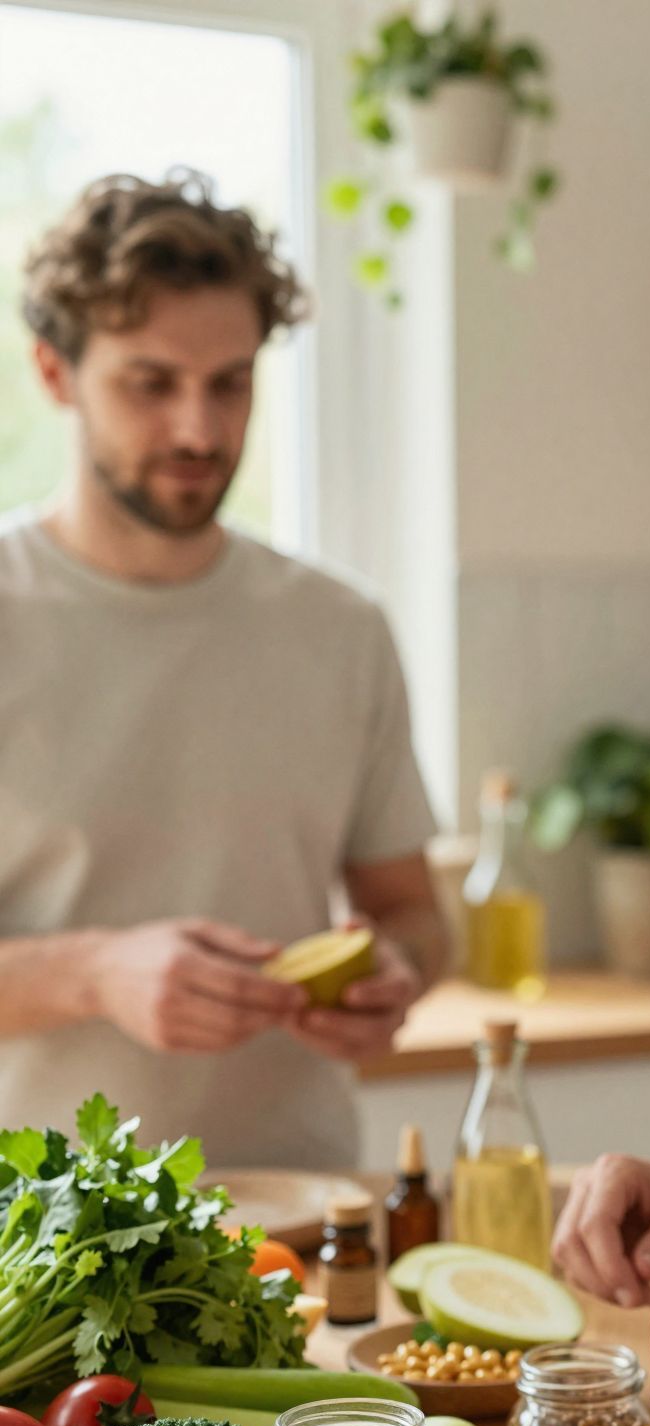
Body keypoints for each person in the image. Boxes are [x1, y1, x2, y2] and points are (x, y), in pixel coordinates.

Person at [0, 172, 445, 1166]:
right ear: (54, 373)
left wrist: (399, 975)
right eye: (150, 383)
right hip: (26, 1247)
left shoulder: (340, 628)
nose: (200, 430)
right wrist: (94, 971)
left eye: (230, 382)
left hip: (297, 1219)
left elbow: (411, 909)